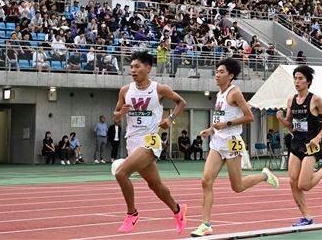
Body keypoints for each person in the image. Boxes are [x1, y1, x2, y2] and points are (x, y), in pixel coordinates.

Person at [190, 58, 279, 237]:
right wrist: (210, 129)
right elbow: (220, 118)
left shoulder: (235, 92)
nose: (217, 74)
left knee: (237, 186)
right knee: (206, 181)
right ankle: (205, 224)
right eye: (216, 71)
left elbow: (249, 117)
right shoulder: (218, 94)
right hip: (217, 141)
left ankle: (264, 175)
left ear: (230, 76)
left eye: (221, 71)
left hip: (232, 141)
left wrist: (228, 123)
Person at [112, 51, 188, 234]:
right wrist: (120, 113)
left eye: (137, 66)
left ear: (148, 68)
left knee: (121, 173)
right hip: (133, 141)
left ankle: (132, 214)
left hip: (151, 140)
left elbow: (181, 102)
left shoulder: (159, 89)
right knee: (155, 185)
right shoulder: (125, 90)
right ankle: (178, 210)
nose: (133, 70)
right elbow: (115, 117)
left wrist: (169, 119)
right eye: (131, 67)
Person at [275, 65, 322, 227]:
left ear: (308, 81)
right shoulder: (291, 100)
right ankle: (307, 217)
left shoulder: (315, 99)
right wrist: (281, 120)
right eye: (295, 78)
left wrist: (319, 137)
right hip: (296, 143)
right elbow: (290, 125)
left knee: (304, 185)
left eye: (300, 78)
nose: (297, 81)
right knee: (292, 181)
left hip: (311, 144)